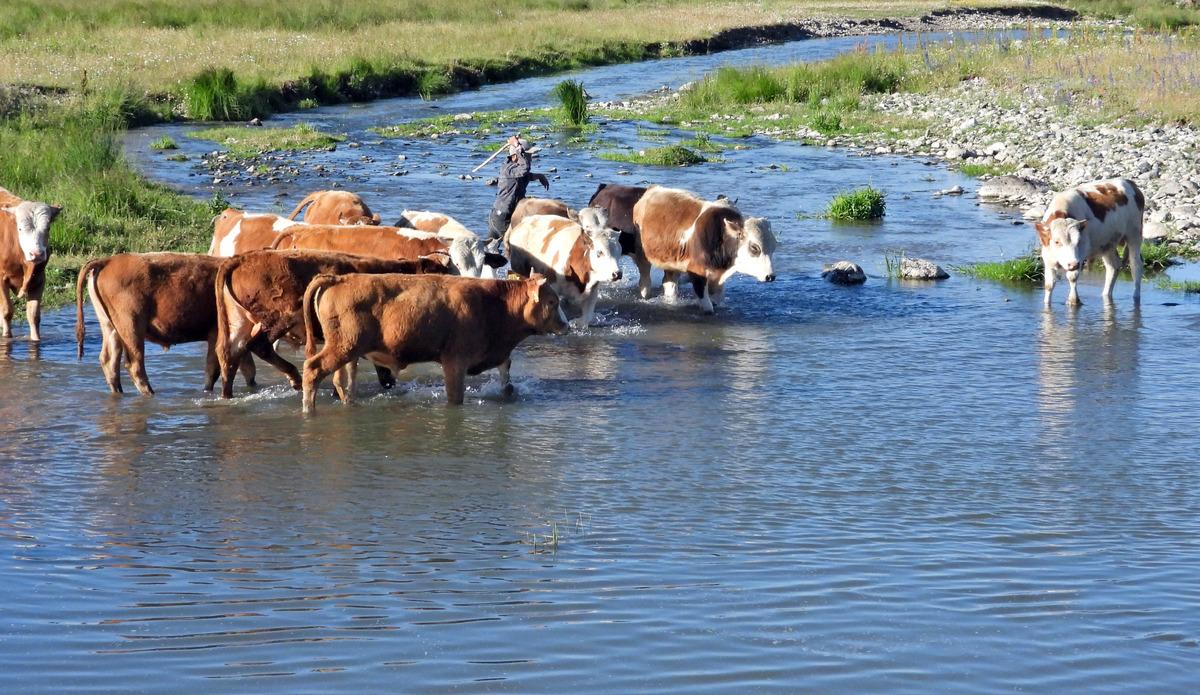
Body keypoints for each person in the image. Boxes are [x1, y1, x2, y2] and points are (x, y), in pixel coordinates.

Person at [487, 135, 549, 246]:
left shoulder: (515, 171)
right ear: (515, 157)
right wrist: (516, 145)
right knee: (518, 245)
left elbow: (525, 175)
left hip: (502, 215)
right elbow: (524, 169)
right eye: (527, 155)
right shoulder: (508, 169)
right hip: (502, 217)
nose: (530, 158)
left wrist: (539, 176)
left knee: (491, 249)